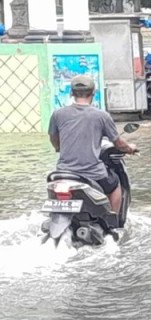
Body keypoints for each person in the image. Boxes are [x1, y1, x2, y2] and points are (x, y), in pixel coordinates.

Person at [48, 75, 137, 215]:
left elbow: (53, 138)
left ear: (71, 93)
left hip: (63, 173)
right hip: (92, 173)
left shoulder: (57, 114)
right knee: (115, 186)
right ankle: (113, 223)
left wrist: (59, 148)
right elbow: (118, 143)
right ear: (93, 94)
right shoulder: (102, 116)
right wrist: (130, 148)